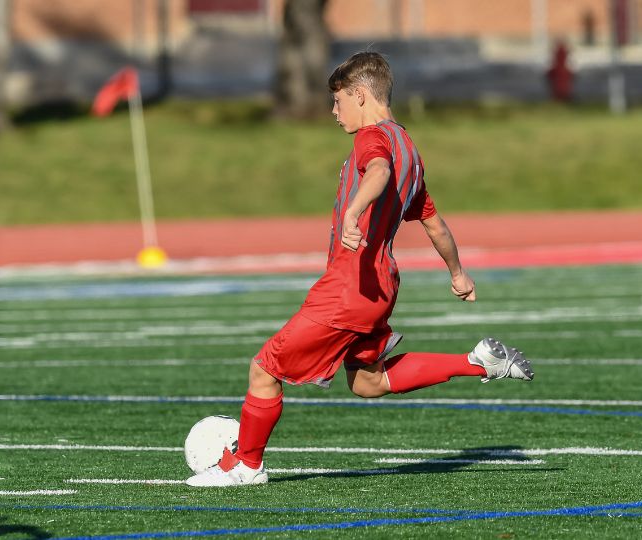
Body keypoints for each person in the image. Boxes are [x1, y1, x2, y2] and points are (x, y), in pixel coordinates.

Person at [186, 52, 534, 488]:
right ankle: (479, 362)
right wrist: (457, 272)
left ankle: (246, 466)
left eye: (337, 102)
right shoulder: (411, 149)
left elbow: (379, 171)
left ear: (362, 95)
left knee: (264, 368)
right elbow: (434, 223)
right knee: (369, 381)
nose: (334, 113)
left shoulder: (374, 138)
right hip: (381, 284)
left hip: (349, 285)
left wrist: (353, 211)